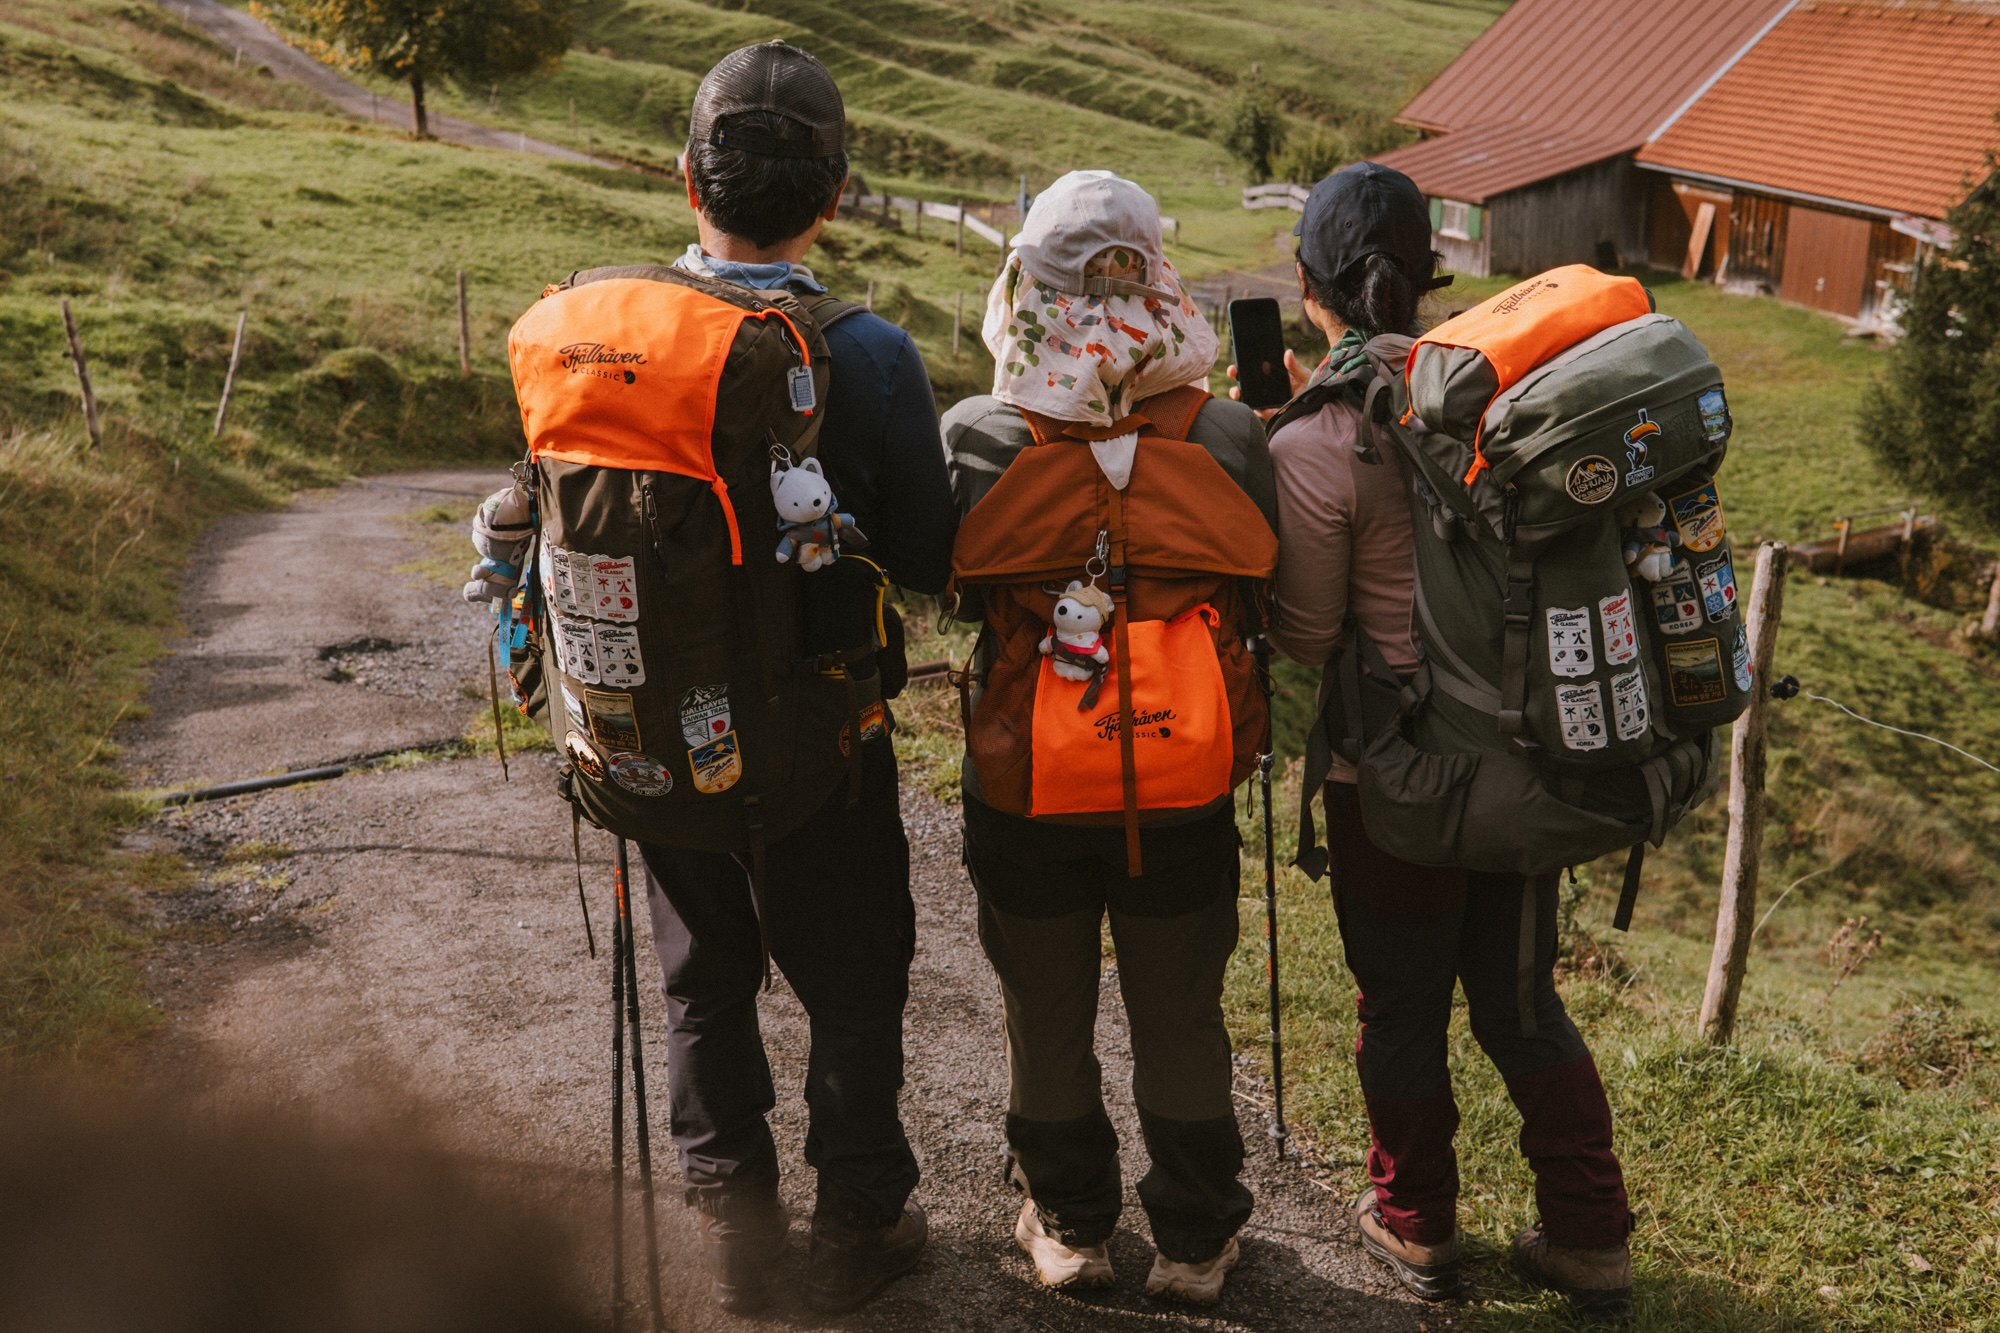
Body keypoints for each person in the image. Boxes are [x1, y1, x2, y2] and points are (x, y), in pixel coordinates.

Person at [1254, 161, 1636, 1321]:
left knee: (1401, 1008)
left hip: (1395, 787)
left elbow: (1310, 635)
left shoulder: (1316, 442)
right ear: (1428, 280)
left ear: (1308, 288)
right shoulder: (1505, 400)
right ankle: (1587, 1233)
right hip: (1526, 766)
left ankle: (1416, 1221)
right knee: (1520, 1005)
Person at [639, 41, 956, 1317]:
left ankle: (732, 1228)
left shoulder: (609, 337)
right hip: (823, 732)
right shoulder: (867, 354)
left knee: (702, 972)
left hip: (660, 731)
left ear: (684, 176)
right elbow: (931, 561)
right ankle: (862, 1218)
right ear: (836, 192)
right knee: (851, 969)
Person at [942, 170, 1277, 1306]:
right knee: (1178, 1006)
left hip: (1025, 783)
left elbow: (948, 596)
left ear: (1021, 287)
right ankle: (1191, 1239)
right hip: (1181, 780)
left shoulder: (980, 441)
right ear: (1161, 278)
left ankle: (1073, 1223)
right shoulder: (1227, 436)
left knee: (1044, 1005)